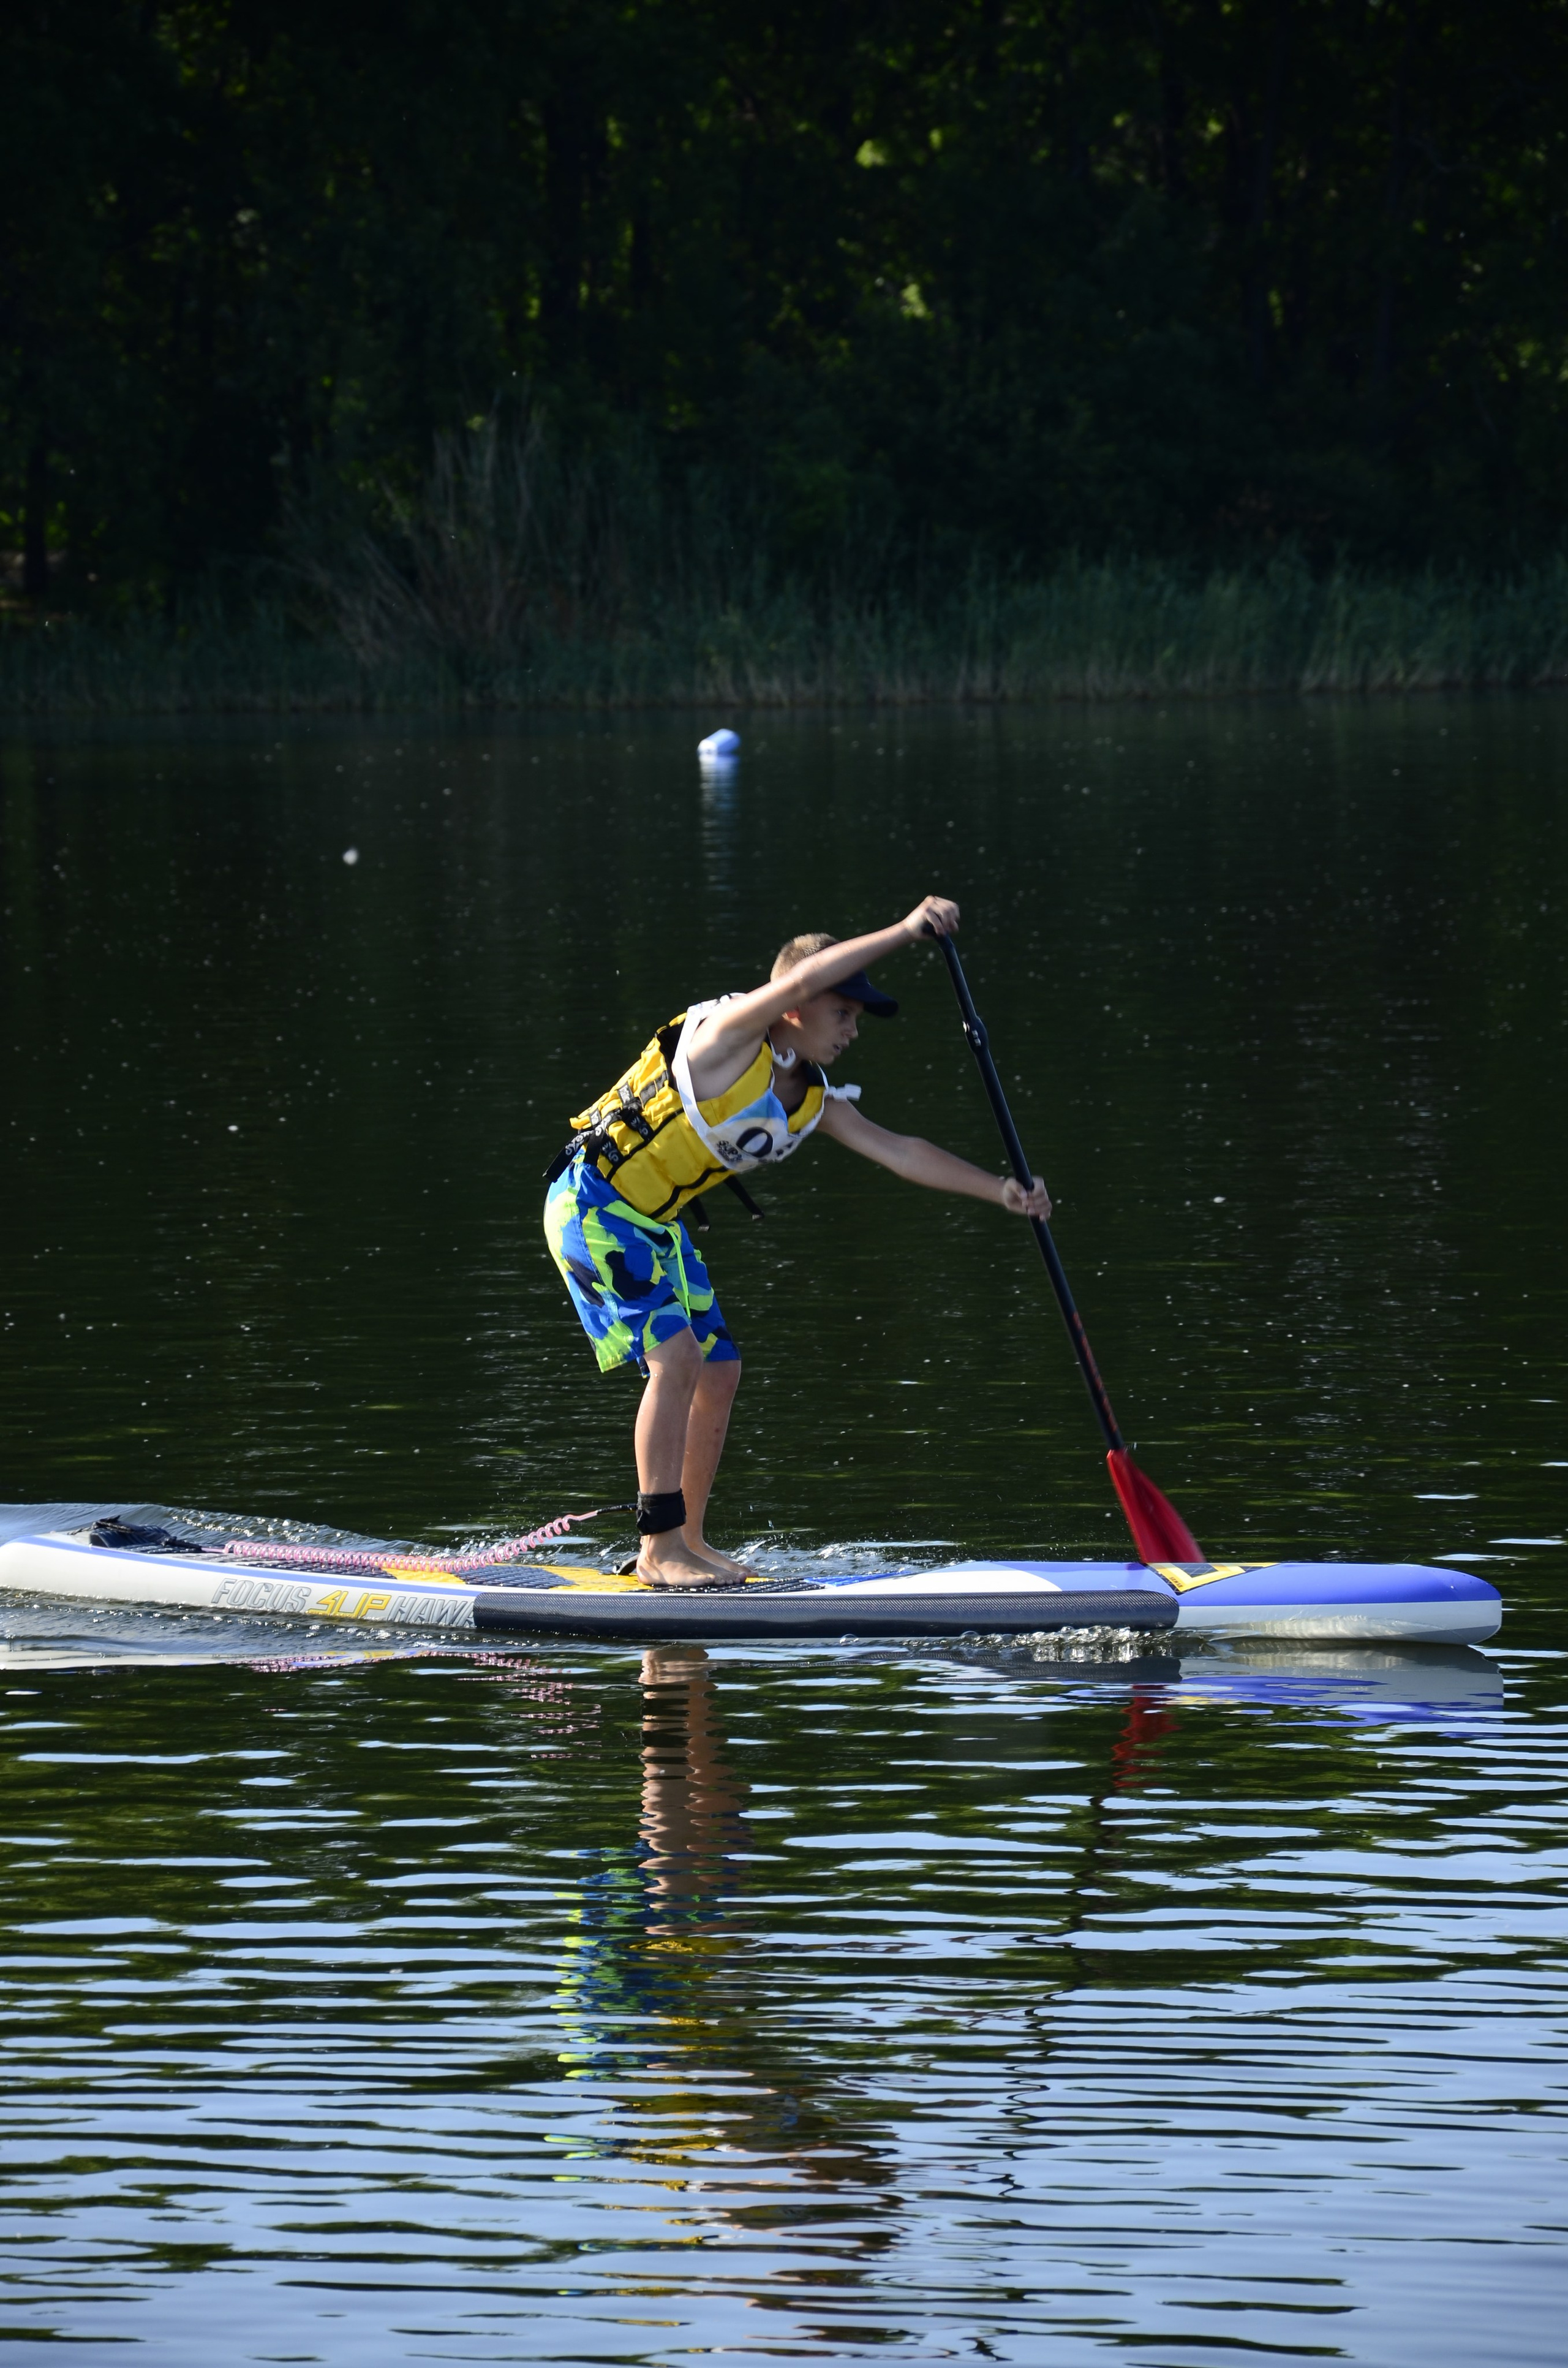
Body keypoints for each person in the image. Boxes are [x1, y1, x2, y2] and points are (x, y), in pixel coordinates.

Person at [543, 895, 1050, 1587]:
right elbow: (800, 979)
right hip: (593, 1206)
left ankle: (688, 1539)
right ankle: (658, 1546)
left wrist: (1001, 1191)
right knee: (677, 1359)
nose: (852, 1030)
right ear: (794, 1007)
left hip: (656, 1223)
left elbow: (900, 1151)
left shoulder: (811, 1098)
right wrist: (906, 931)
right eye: (842, 1012)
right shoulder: (726, 1037)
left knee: (720, 1370)